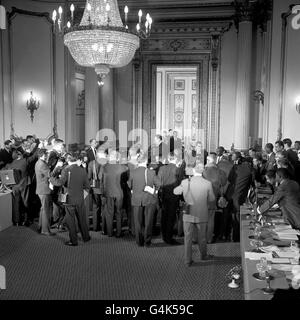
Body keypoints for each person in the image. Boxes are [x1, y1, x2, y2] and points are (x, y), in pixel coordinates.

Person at [174, 162, 215, 266]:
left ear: (193, 170)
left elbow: (175, 192)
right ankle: (203, 255)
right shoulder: (207, 183)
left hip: (188, 213)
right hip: (201, 214)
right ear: (203, 171)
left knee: (187, 237)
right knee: (202, 237)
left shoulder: (185, 182)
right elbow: (212, 199)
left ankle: (187, 260)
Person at [49, 152, 91, 246]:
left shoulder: (66, 169)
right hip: (80, 199)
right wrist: (82, 196)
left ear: (68, 160)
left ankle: (73, 241)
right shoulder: (82, 170)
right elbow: (87, 186)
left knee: (71, 220)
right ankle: (86, 237)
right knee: (82, 219)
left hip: (69, 199)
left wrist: (51, 179)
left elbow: (59, 182)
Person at [128, 152, 160, 247]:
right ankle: (147, 242)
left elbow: (129, 185)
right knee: (148, 221)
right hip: (149, 199)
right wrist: (155, 191)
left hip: (137, 199)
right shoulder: (151, 172)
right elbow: (159, 184)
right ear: (146, 161)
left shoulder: (133, 172)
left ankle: (139, 241)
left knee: (137, 222)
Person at [225, 152, 253, 242]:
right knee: (237, 216)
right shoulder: (250, 168)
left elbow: (229, 179)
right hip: (240, 195)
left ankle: (227, 235)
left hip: (231, 194)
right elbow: (252, 182)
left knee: (230, 215)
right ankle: (236, 238)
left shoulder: (235, 167)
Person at [157, 153, 183, 245]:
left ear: (168, 159)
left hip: (164, 195)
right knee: (171, 217)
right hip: (174, 195)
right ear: (175, 159)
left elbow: (159, 182)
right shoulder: (178, 169)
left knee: (164, 215)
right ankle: (169, 238)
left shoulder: (162, 168)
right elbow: (180, 183)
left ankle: (164, 235)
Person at [102, 150, 128, 237]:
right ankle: (119, 232)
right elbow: (126, 180)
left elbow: (102, 181)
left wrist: (103, 192)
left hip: (109, 192)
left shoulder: (105, 167)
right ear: (117, 158)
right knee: (119, 212)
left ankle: (109, 232)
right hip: (119, 193)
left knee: (109, 213)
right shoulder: (123, 167)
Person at [203, 154, 227, 243]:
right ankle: (208, 239)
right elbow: (224, 183)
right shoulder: (220, 172)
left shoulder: (202, 171)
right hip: (212, 197)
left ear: (208, 161)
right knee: (210, 219)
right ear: (215, 161)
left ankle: (198, 237)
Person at [35, 149, 54, 236]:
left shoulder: (39, 162)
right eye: (46, 154)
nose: (47, 156)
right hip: (44, 190)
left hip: (41, 189)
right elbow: (50, 174)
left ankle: (40, 227)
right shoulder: (42, 164)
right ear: (43, 155)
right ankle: (45, 230)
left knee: (43, 209)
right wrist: (58, 167)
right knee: (46, 210)